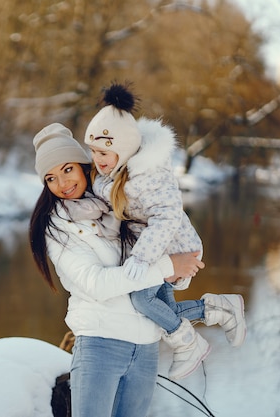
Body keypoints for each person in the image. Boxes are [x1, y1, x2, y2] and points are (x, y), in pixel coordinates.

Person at [29, 122, 205, 417]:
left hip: (146, 347)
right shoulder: (59, 226)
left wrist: (177, 273)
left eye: (67, 169)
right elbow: (96, 283)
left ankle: (215, 308)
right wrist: (167, 266)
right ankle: (212, 309)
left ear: (84, 165)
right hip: (101, 345)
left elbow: (165, 260)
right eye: (50, 177)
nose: (62, 183)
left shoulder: (120, 204)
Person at [83, 82, 246, 380]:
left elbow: (168, 218)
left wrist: (142, 258)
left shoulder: (151, 173)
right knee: (159, 311)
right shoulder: (113, 175)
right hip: (157, 249)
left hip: (173, 248)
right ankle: (219, 308)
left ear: (124, 149)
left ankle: (189, 341)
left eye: (104, 151)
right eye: (93, 151)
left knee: (143, 301)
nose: (98, 159)